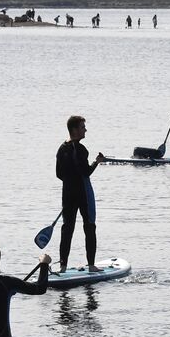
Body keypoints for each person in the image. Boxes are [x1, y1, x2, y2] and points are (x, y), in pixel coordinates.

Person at [55, 115, 104, 273]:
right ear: (75, 130)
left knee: (67, 228)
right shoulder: (82, 150)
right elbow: (86, 172)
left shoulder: (61, 149)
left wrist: (70, 180)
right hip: (83, 193)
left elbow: (59, 174)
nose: (85, 130)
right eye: (83, 127)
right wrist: (97, 162)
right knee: (89, 226)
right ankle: (91, 265)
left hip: (67, 193)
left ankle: (62, 266)